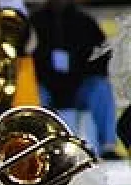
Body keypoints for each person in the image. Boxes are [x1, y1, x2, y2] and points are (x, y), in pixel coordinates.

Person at [32, 0, 119, 158]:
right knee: (35, 93)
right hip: (47, 86)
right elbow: (29, 59)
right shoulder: (35, 23)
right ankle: (37, 146)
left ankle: (108, 146)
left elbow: (102, 56)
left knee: (100, 88)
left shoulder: (85, 22)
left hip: (80, 86)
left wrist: (77, 66)